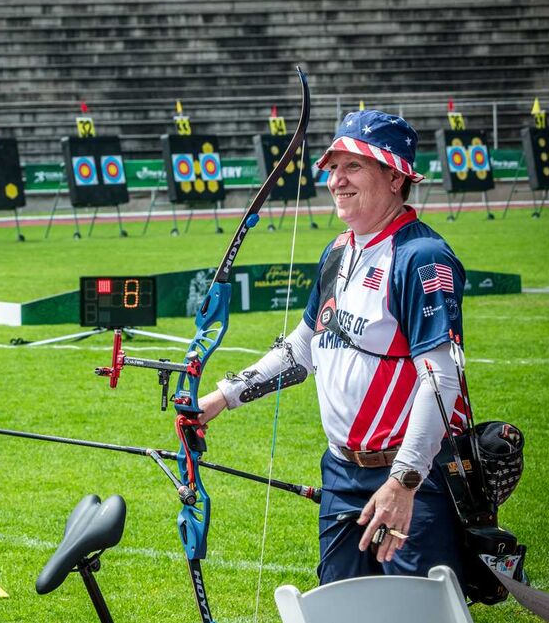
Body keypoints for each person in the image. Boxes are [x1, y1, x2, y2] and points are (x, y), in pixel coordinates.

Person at [198, 110, 469, 586]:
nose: (336, 180)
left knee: (417, 611)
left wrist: (403, 481)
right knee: (339, 605)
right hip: (342, 474)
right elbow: (303, 349)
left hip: (413, 476)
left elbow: (441, 379)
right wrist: (221, 398)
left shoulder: (421, 257)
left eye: (353, 167)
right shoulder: (339, 251)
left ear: (395, 177)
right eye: (333, 167)